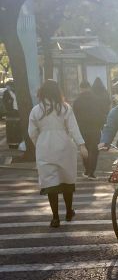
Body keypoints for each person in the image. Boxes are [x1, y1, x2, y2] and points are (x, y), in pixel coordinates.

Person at [29, 80, 87, 228]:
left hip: (45, 148)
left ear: (42, 92)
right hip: (65, 146)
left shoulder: (36, 110)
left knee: (50, 183)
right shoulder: (65, 108)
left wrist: (39, 143)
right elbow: (73, 128)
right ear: (57, 92)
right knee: (67, 180)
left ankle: (55, 217)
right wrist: (81, 145)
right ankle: (68, 212)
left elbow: (32, 132)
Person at [77, 79, 111, 177]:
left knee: (84, 149)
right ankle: (92, 172)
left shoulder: (77, 101)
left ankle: (87, 169)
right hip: (95, 128)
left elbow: (74, 117)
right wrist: (101, 125)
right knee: (94, 151)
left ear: (80, 89)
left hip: (82, 129)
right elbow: (102, 113)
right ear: (89, 87)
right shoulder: (97, 99)